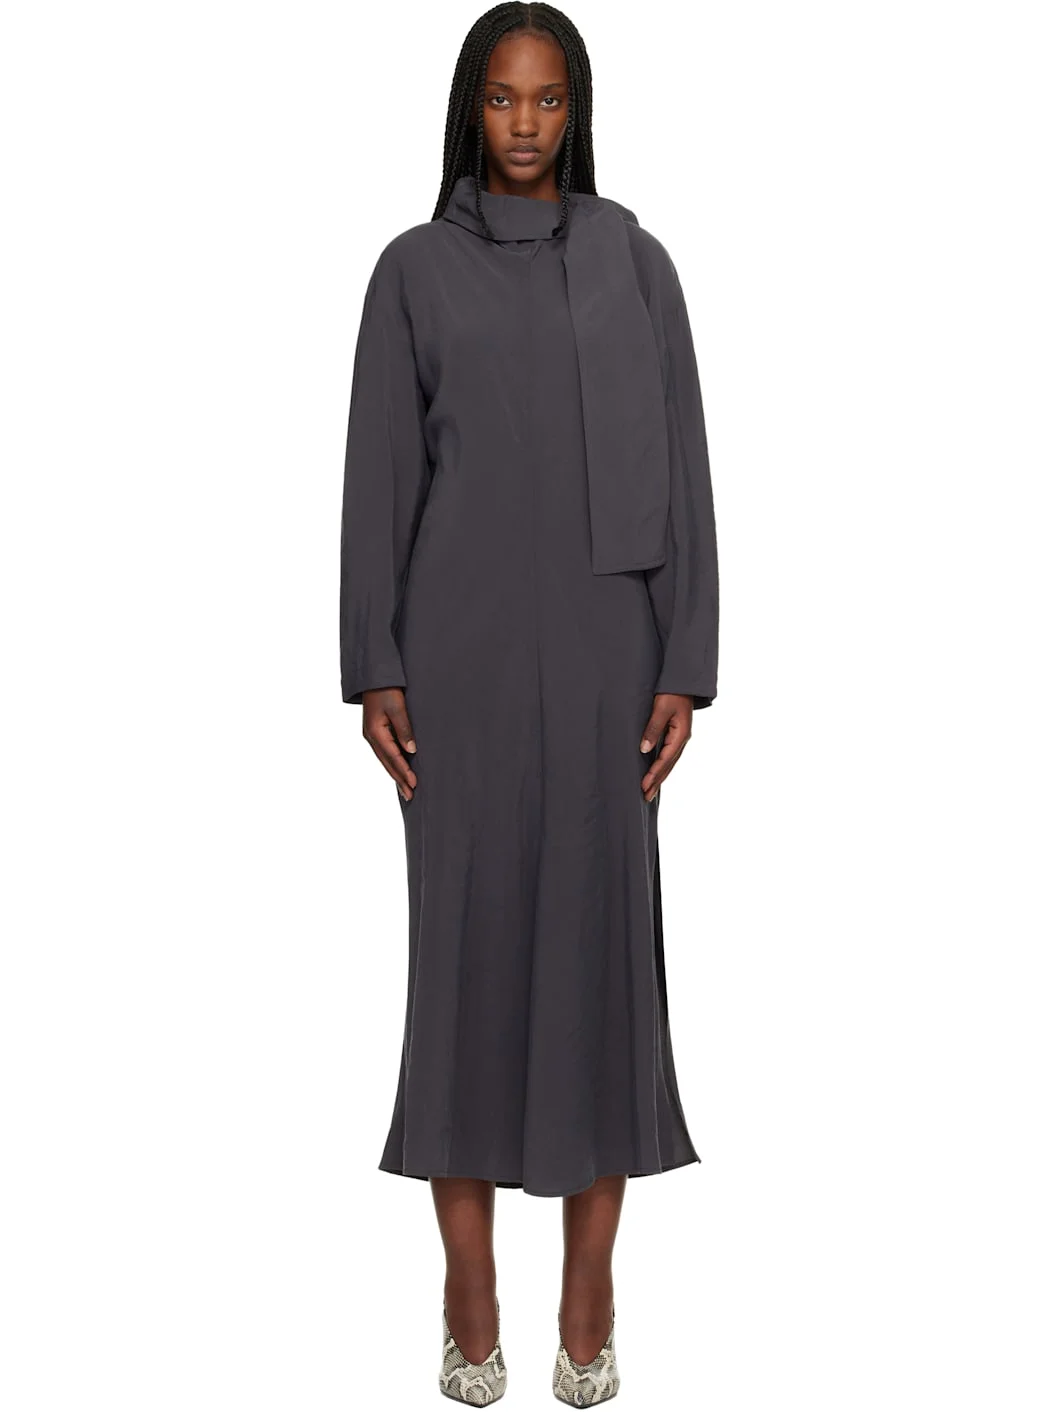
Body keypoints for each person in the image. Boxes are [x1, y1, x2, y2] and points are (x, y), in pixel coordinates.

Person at [339, 3, 719, 1404]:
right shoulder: (412, 271)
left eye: (547, 100)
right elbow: (379, 476)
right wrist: (374, 663)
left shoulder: (635, 263)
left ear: (577, 111)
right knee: (467, 953)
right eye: (501, 99)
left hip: (612, 651)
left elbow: (686, 470)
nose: (523, 124)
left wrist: (685, 661)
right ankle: (469, 1285)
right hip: (459, 660)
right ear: (469, 107)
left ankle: (589, 1286)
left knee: (600, 954)